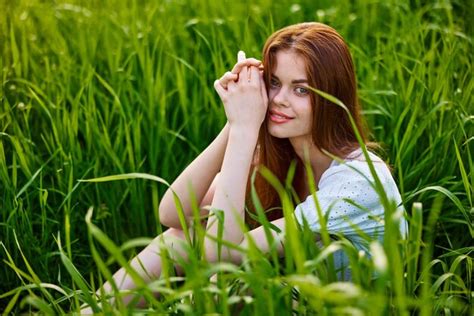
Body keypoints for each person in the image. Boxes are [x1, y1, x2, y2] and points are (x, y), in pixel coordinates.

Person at [83, 22, 407, 311]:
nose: (279, 99)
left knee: (226, 285)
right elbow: (172, 213)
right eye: (274, 83)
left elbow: (219, 256)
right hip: (297, 290)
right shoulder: (283, 154)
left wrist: (244, 129)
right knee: (181, 238)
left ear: (333, 97)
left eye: (301, 89)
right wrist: (234, 124)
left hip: (342, 306)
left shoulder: (358, 184)